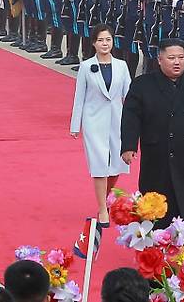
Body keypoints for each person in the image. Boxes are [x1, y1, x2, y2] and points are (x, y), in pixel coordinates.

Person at [120, 38, 184, 241]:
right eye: (172, 58)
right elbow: (131, 117)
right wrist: (129, 146)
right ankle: (154, 237)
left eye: (181, 58)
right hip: (157, 151)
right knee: (156, 196)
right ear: (159, 60)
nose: (177, 62)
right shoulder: (143, 85)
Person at [70, 23, 132, 225]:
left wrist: (135, 123)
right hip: (93, 120)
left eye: (108, 40)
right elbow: (79, 97)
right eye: (100, 40)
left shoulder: (121, 66)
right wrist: (75, 125)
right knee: (99, 165)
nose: (105, 44)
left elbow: (130, 97)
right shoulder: (87, 66)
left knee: (116, 164)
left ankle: (104, 199)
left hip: (117, 119)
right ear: (94, 43)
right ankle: (102, 209)